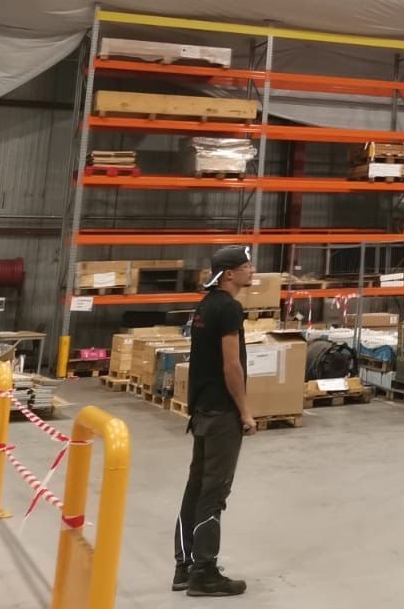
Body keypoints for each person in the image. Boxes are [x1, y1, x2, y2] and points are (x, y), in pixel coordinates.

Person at [173, 245, 257, 596]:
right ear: (230, 274)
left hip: (202, 409)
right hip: (222, 412)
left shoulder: (204, 307)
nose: (252, 271)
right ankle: (204, 572)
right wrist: (245, 411)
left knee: (196, 487)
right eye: (246, 266)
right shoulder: (229, 309)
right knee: (214, 491)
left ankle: (184, 565)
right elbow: (231, 365)